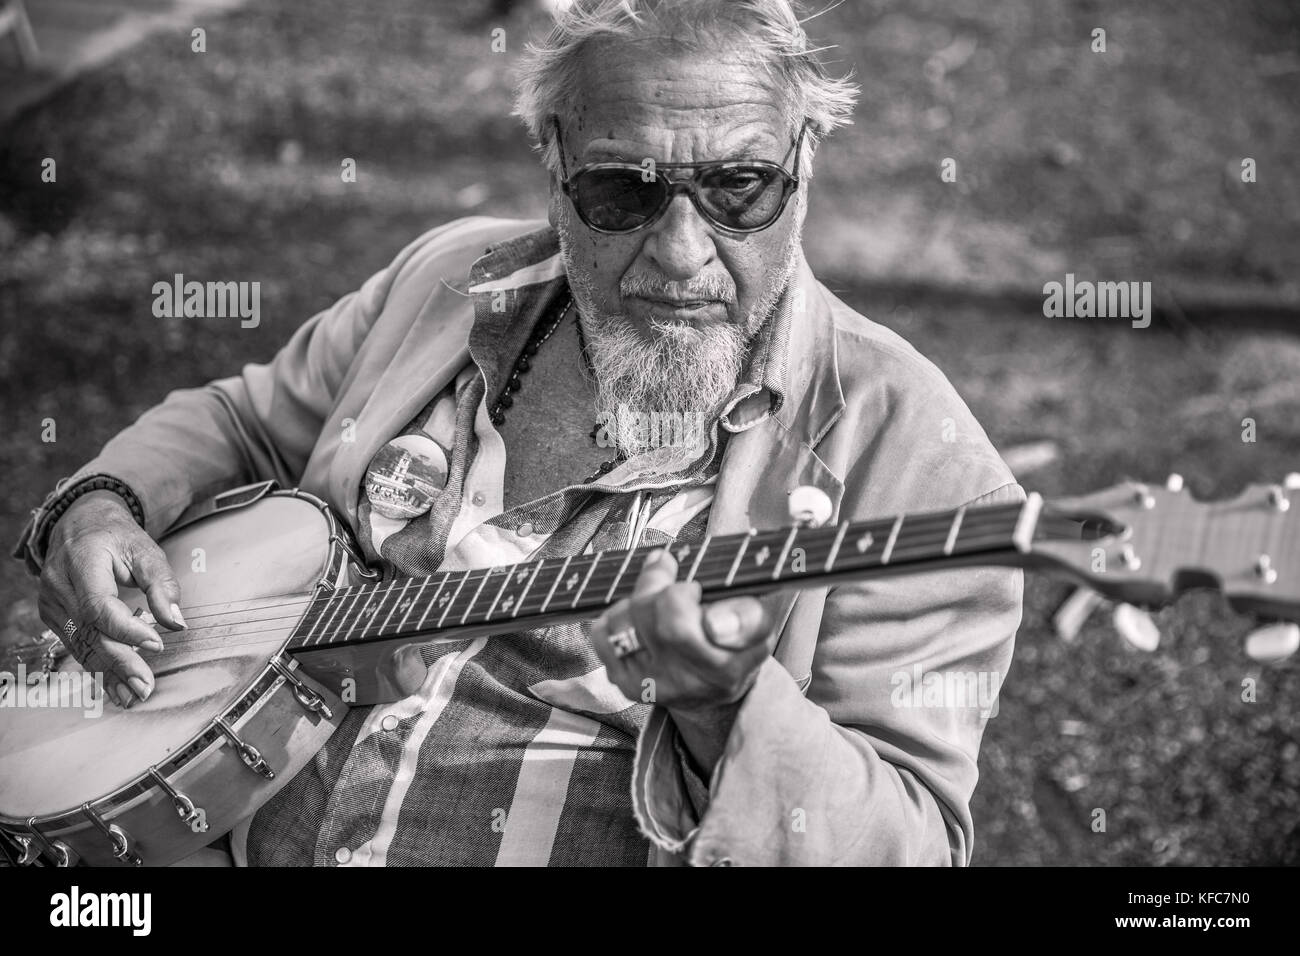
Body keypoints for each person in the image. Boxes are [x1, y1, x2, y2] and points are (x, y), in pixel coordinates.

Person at [14, 0, 1023, 866]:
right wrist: (105, 502)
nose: (679, 253)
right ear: (551, 162)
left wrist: (727, 708)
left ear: (802, 162)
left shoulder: (911, 449)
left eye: (736, 189)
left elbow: (912, 840)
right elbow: (241, 418)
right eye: (620, 192)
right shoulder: (449, 278)